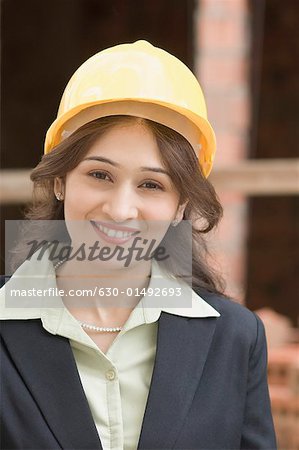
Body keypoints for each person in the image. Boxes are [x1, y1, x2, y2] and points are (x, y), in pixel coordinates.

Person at [0, 40, 277, 449]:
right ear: (59, 181)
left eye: (151, 185)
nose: (121, 209)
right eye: (100, 175)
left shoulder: (235, 339)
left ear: (180, 205)